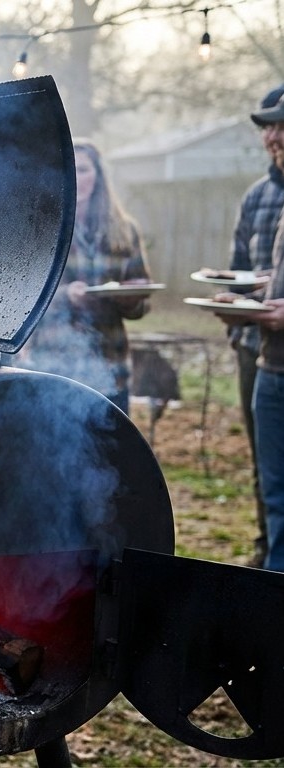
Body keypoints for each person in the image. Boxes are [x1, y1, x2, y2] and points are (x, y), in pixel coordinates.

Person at [15, 139, 153, 414]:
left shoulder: (125, 231)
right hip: (52, 368)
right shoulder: (41, 228)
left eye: (85, 169)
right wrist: (67, 296)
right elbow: (20, 299)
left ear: (99, 176)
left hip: (110, 369)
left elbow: (142, 303)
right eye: (71, 168)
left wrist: (130, 299)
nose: (77, 176)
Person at [226, 84, 284, 566]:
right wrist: (237, 305)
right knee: (267, 467)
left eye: (280, 127)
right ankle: (270, 553)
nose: (274, 137)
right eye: (269, 128)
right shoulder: (258, 198)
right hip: (257, 346)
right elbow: (243, 269)